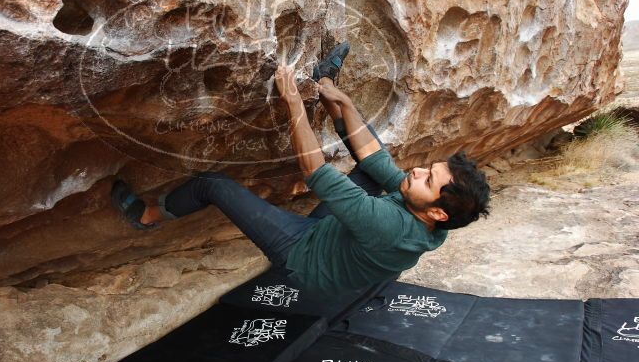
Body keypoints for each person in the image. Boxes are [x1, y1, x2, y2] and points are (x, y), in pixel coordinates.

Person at [111, 43, 490, 293]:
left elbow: (316, 173)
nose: (418, 171)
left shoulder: (390, 226)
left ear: (438, 211)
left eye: (428, 178)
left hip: (304, 257)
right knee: (373, 169)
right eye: (428, 168)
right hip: (339, 236)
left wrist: (293, 102)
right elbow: (376, 160)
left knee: (213, 184)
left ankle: (147, 216)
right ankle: (325, 83)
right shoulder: (435, 220)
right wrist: (344, 101)